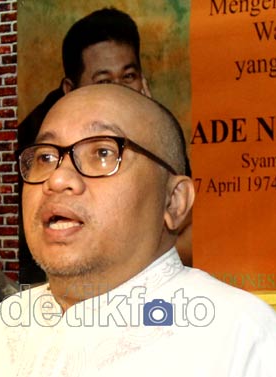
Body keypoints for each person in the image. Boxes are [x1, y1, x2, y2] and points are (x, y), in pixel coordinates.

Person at [0, 85, 276, 377]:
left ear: (174, 201)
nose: (58, 179)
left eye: (102, 152)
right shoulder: (6, 324)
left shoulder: (239, 336)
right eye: (45, 158)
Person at [18, 7, 192, 285]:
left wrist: (150, 129)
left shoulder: (154, 132)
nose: (59, 179)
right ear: (69, 89)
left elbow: (186, 232)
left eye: (128, 77)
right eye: (104, 81)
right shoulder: (35, 137)